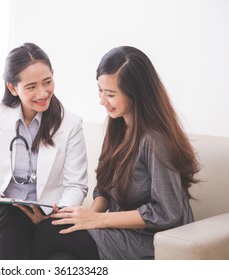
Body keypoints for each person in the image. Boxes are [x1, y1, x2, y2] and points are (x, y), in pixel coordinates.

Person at [31, 46, 201, 260]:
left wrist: (97, 220)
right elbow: (105, 189)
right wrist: (88, 215)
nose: (102, 100)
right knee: (59, 255)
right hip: (122, 231)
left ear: (135, 94)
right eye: (100, 90)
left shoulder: (155, 141)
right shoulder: (118, 126)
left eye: (110, 94)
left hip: (152, 240)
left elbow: (167, 212)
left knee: (51, 232)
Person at [0, 42, 88, 260]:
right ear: (13, 88)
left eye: (47, 82)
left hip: (44, 220)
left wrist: (51, 216)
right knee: (11, 219)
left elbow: (76, 186)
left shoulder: (70, 124)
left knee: (20, 238)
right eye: (31, 87)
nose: (43, 93)